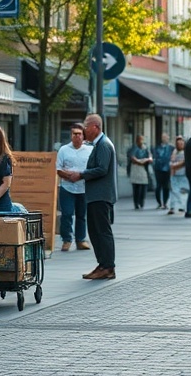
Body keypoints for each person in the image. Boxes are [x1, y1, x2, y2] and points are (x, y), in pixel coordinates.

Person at [64, 114, 116, 280]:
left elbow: (102, 169)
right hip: (96, 195)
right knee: (95, 231)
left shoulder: (103, 145)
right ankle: (102, 265)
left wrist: (81, 175)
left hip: (101, 196)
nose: (84, 129)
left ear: (95, 127)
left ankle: (108, 266)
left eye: (86, 126)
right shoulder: (98, 144)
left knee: (102, 231)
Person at [55, 123, 91, 251]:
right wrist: (70, 176)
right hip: (67, 187)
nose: (77, 136)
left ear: (83, 136)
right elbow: (58, 169)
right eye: (74, 134)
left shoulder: (89, 150)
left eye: (79, 134)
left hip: (83, 188)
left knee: (82, 215)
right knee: (67, 214)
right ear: (71, 136)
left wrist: (80, 175)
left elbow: (92, 169)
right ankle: (66, 240)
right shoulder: (64, 150)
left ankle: (80, 240)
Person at [127, 135, 152, 210]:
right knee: (136, 187)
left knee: (143, 186)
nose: (141, 141)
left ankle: (142, 202)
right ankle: (136, 203)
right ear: (137, 141)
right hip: (135, 169)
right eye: (139, 140)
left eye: (142, 139)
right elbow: (133, 158)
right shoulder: (133, 148)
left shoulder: (146, 148)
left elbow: (150, 158)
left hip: (144, 169)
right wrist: (141, 161)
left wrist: (145, 160)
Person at [150, 132, 173, 209]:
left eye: (166, 137)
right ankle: (159, 202)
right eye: (164, 137)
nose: (165, 139)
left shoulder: (171, 148)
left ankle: (165, 202)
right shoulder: (156, 148)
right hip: (158, 169)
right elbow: (154, 157)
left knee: (166, 186)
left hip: (167, 169)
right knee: (158, 186)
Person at [167, 136, 188, 215]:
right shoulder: (174, 151)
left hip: (183, 174)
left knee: (183, 191)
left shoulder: (185, 152)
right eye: (178, 143)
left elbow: (184, 163)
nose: (180, 145)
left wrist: (175, 166)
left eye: (182, 143)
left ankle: (182, 206)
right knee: (174, 191)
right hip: (175, 174)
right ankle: (172, 207)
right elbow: (171, 162)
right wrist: (173, 167)